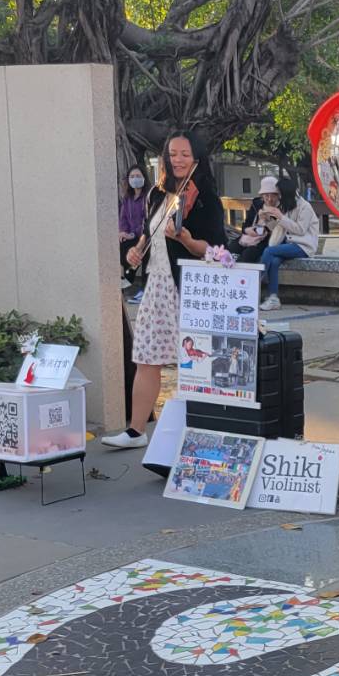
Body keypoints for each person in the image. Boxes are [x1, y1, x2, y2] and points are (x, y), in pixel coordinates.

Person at [103, 132, 227, 448]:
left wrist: (185, 239)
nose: (178, 160)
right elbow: (148, 230)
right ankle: (135, 431)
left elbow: (215, 248)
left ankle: (196, 432)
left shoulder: (205, 198)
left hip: (187, 288)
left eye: (185, 153)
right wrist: (137, 251)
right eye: (173, 153)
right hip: (157, 285)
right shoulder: (158, 194)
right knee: (146, 356)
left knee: (194, 361)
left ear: (197, 157)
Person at [257, 175, 319, 310]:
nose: (278, 198)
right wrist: (268, 220)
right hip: (290, 244)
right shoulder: (288, 206)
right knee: (273, 261)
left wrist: (280, 216)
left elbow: (300, 230)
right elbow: (280, 229)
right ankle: (273, 298)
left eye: (279, 195)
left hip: (304, 246)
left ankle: (255, 283)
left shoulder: (305, 207)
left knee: (269, 251)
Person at [227, 175, 277, 263]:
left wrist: (268, 220)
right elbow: (246, 224)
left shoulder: (280, 209)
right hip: (249, 236)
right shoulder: (256, 204)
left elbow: (277, 232)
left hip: (266, 241)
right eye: (266, 195)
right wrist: (248, 230)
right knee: (230, 249)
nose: (269, 199)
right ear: (262, 195)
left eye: (273, 195)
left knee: (248, 254)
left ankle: (241, 276)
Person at [118, 164, 150, 292]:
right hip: (130, 235)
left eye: (138, 176)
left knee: (133, 249)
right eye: (132, 176)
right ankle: (124, 277)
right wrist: (123, 232)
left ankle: (130, 279)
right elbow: (123, 217)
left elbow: (146, 220)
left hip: (144, 236)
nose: (135, 179)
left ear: (144, 178)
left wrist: (132, 234)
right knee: (120, 244)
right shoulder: (128, 198)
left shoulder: (148, 197)